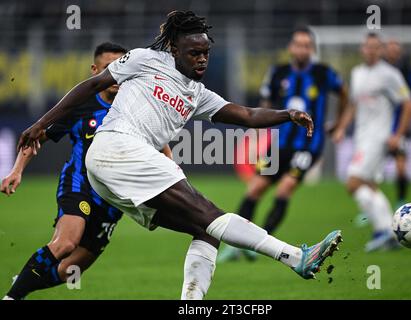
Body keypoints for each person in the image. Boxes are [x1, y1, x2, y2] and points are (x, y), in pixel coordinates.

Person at [16, 11, 342, 300]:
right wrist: (42, 123)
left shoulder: (198, 95)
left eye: (206, 53)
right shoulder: (145, 59)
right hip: (117, 146)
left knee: (206, 230)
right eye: (194, 53)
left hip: (114, 168)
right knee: (211, 214)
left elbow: (246, 115)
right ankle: (294, 257)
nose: (201, 59)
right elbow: (91, 85)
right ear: (174, 49)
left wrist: (288, 114)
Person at [2, 43, 169, 300]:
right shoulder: (80, 105)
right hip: (79, 185)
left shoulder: (134, 107)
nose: (116, 77)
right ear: (95, 70)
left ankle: (22, 283)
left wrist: (171, 171)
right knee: (66, 243)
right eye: (108, 69)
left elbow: (161, 144)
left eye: (120, 70)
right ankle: (13, 297)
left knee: (70, 271)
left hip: (113, 200)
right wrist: (17, 170)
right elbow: (37, 137)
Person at [219, 26, 348, 262]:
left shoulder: (323, 73)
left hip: (308, 146)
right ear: (291, 47)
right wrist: (258, 131)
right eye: (298, 44)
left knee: (285, 188)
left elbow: (344, 95)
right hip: (279, 145)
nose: (301, 49)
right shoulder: (278, 72)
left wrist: (339, 124)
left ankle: (260, 244)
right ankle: (237, 247)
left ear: (313, 49)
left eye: (306, 46)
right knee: (255, 189)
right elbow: (265, 103)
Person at [332, 33, 411, 252]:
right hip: (361, 137)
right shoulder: (357, 73)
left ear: (381, 51)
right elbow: (352, 105)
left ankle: (384, 230)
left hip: (378, 138)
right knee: (368, 185)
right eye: (368, 47)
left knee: (353, 182)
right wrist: (341, 128)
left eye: (376, 47)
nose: (371, 51)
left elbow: (408, 104)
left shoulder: (390, 74)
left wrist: (398, 134)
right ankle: (389, 232)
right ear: (362, 49)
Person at [384, 39, 411, 206]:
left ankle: (401, 200)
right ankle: (371, 206)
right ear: (386, 51)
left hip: (400, 126)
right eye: (390, 48)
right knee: (373, 170)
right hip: (381, 126)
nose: (393, 52)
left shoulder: (407, 70)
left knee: (401, 166)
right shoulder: (380, 70)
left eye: (396, 49)